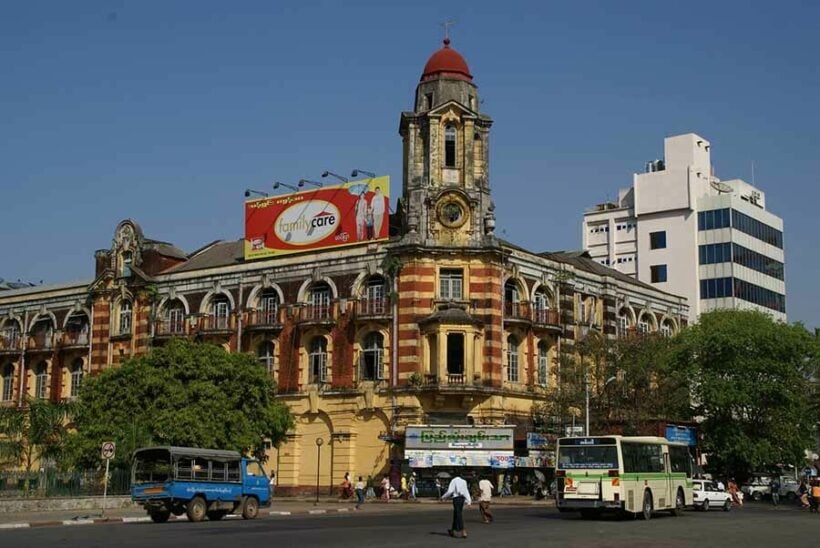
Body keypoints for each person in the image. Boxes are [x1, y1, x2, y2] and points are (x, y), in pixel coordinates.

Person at [441, 473, 472, 539]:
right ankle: (452, 530)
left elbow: (450, 491)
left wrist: (443, 497)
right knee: (456, 514)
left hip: (456, 499)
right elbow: (466, 491)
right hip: (462, 499)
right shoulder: (464, 481)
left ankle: (463, 530)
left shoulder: (454, 480)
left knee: (458, 514)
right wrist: (469, 501)